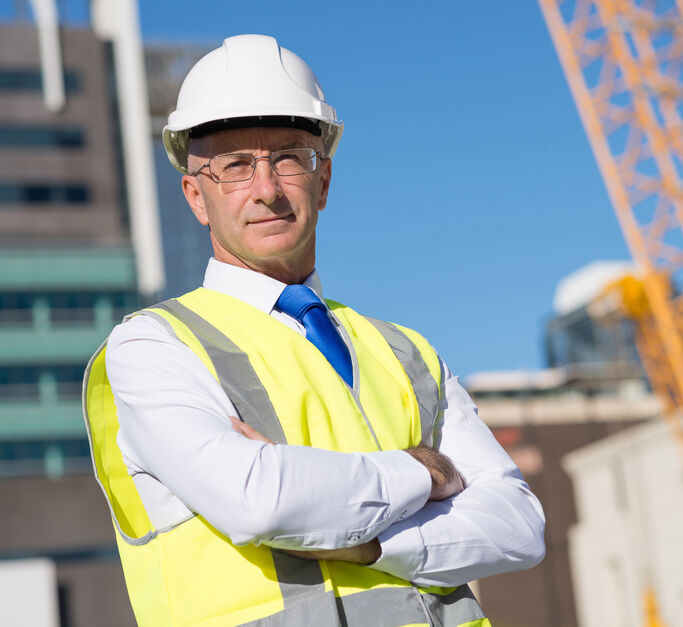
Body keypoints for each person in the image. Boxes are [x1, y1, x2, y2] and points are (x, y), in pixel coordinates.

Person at [83, 34, 545, 627]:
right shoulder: (153, 346)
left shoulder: (407, 353)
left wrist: (371, 543)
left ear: (323, 180)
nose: (268, 189)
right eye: (235, 167)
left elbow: (519, 526)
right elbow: (258, 500)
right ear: (196, 197)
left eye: (288, 159)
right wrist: (422, 471)